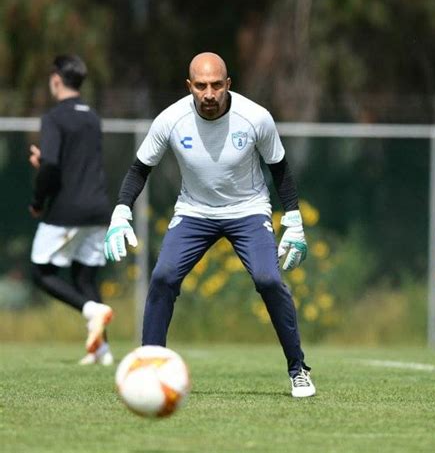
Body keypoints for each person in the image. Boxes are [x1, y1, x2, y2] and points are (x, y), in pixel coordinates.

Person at [104, 52, 316, 397]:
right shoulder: (170, 120)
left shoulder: (256, 118)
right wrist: (120, 212)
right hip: (194, 212)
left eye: (217, 85)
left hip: (247, 210)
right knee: (162, 278)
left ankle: (298, 369)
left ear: (228, 84)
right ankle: (148, 369)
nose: (209, 93)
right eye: (201, 86)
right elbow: (140, 168)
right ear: (189, 86)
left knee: (268, 279)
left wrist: (293, 219)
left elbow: (279, 168)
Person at [29, 54, 114, 366]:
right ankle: (102, 351)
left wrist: (38, 201)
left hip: (67, 209)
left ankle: (91, 311)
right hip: (98, 208)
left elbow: (51, 163)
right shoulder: (92, 117)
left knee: (41, 272)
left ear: (55, 79)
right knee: (85, 279)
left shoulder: (54, 118)